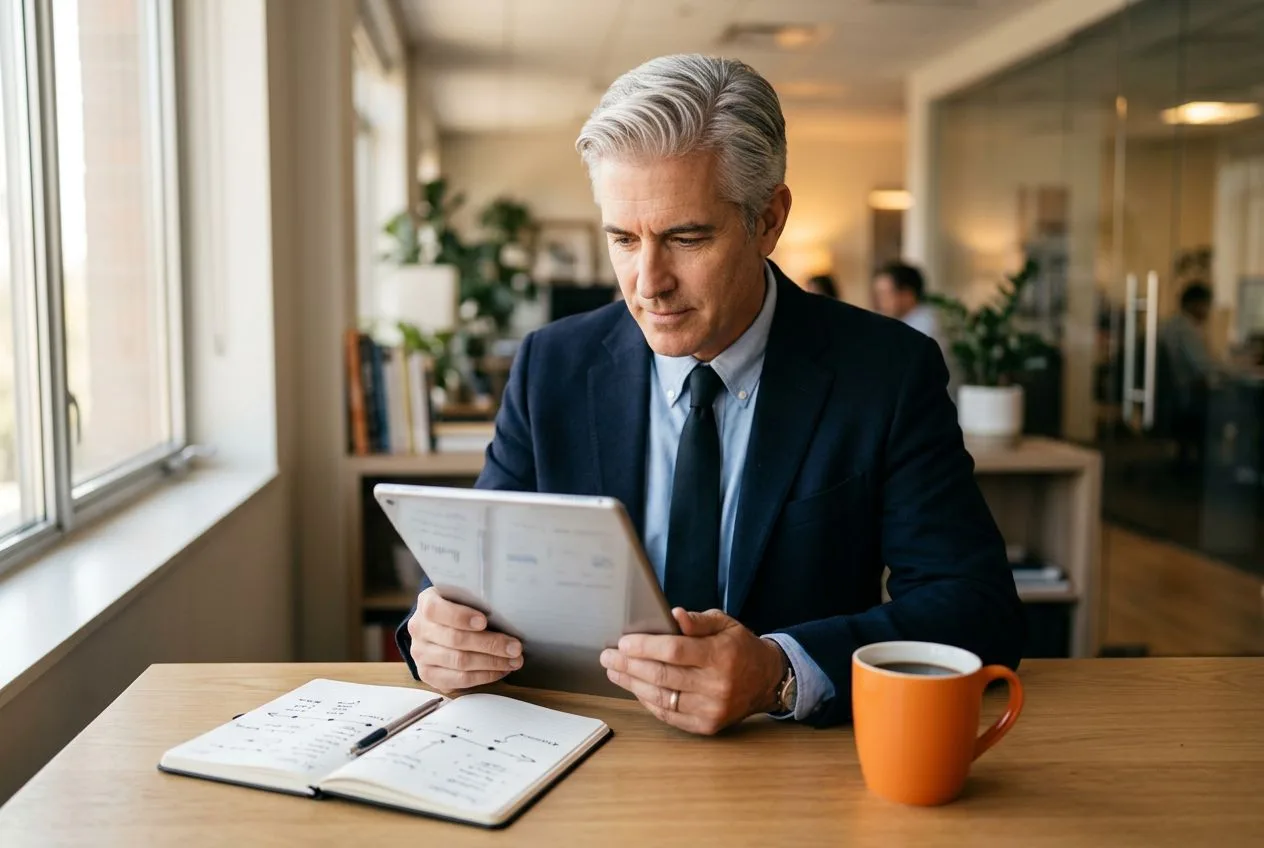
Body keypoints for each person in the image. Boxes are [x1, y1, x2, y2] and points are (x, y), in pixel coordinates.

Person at [397, 54, 1024, 733]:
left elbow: (975, 607)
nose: (648, 282)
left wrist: (779, 673)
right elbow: (473, 573)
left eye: (685, 238)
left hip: (795, 768)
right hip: (585, 751)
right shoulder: (553, 365)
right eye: (623, 240)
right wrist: (435, 631)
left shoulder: (886, 372)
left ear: (769, 221)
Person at [1157, 282, 1218, 472]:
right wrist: (1236, 368)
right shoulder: (1186, 329)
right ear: (1195, 304)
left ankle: (1186, 457)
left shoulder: (1170, 325)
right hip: (1186, 399)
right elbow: (1203, 366)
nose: (1208, 311)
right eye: (1207, 305)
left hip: (1173, 398)